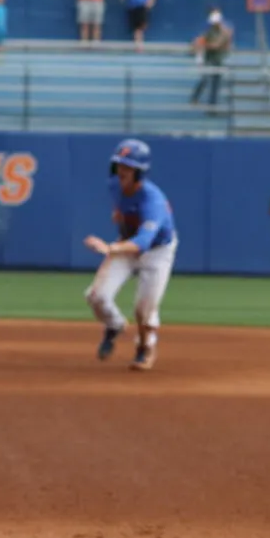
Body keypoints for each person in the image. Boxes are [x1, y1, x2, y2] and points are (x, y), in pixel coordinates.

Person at [83, 139, 177, 371]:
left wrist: (109, 248)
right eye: (120, 165)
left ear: (139, 172)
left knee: (143, 310)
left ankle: (145, 347)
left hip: (157, 251)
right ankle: (114, 325)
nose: (122, 171)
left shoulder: (152, 200)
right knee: (96, 296)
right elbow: (121, 209)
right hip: (125, 245)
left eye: (128, 167)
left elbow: (143, 242)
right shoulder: (114, 185)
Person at [190, 9, 232, 106]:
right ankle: (195, 98)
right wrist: (198, 43)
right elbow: (200, 39)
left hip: (218, 60)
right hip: (209, 59)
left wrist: (203, 45)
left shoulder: (225, 32)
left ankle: (212, 105)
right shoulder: (211, 30)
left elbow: (216, 45)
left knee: (215, 84)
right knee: (205, 79)